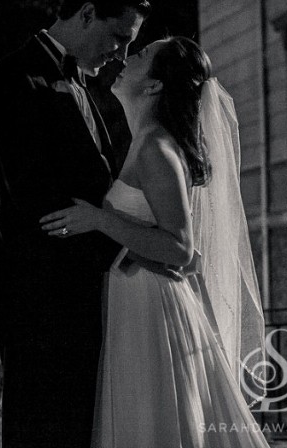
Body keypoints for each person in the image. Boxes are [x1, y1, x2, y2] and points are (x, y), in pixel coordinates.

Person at [40, 36, 269, 447]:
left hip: (149, 306)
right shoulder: (145, 142)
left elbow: (179, 247)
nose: (128, 57)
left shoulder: (156, 148)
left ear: (154, 85)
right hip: (134, 295)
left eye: (143, 54)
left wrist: (98, 219)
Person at [0, 0, 150, 448]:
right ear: (87, 14)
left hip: (81, 293)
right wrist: (124, 250)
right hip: (41, 297)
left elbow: (93, 182)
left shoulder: (80, 82)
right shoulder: (15, 75)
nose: (120, 52)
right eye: (119, 37)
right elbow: (34, 195)